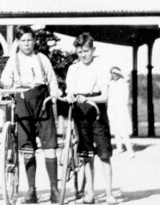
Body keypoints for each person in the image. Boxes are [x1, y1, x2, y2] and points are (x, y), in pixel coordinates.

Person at [0, 26, 61, 203]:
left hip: (43, 102)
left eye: (29, 40)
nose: (26, 44)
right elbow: (6, 82)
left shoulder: (42, 59)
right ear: (17, 42)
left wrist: (54, 97)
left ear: (34, 41)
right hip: (23, 103)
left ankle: (54, 188)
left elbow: (52, 81)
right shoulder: (13, 60)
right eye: (23, 41)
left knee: (50, 146)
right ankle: (32, 190)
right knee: (27, 148)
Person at [65, 33, 116, 205]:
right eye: (79, 52)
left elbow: (105, 96)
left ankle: (109, 194)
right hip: (80, 112)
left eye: (85, 51)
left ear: (93, 50)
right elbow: (70, 90)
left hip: (97, 112)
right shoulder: (73, 69)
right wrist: (71, 96)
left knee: (104, 153)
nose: (82, 55)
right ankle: (90, 193)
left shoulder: (100, 67)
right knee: (86, 154)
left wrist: (88, 99)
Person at [107, 67, 135, 157]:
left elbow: (128, 78)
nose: (114, 75)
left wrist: (119, 72)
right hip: (112, 108)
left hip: (121, 108)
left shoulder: (123, 82)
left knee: (123, 129)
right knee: (116, 129)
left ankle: (130, 150)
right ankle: (119, 148)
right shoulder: (110, 83)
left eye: (116, 73)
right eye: (112, 73)